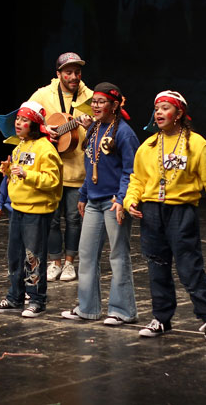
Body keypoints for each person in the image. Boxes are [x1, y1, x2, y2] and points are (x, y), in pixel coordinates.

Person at [124, 90, 206, 345]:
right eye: (157, 108)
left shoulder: (196, 144)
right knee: (157, 267)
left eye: (165, 108)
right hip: (152, 212)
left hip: (181, 212)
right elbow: (137, 179)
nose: (159, 112)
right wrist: (131, 201)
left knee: (190, 268)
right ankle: (161, 318)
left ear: (179, 113)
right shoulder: (148, 145)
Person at [60, 82, 140, 325]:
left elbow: (131, 170)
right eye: (93, 101)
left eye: (101, 101)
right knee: (86, 254)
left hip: (114, 201)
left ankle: (122, 310)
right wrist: (83, 194)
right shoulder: (94, 129)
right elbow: (90, 164)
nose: (95, 105)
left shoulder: (124, 133)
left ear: (114, 105)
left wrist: (122, 197)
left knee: (118, 255)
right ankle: (87, 307)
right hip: (94, 201)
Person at [0, 101, 63, 318]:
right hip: (18, 208)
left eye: (24, 120)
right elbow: (18, 173)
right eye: (18, 119)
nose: (19, 123)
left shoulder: (45, 148)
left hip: (37, 211)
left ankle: (37, 299)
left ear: (35, 124)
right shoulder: (19, 146)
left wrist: (26, 174)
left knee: (33, 256)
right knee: (15, 255)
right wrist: (8, 171)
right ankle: (15, 296)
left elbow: (53, 180)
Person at [28, 52, 94, 281]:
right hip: (51, 171)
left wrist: (90, 125)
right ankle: (54, 261)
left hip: (78, 170)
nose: (74, 76)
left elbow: (103, 127)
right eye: (68, 72)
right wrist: (46, 131)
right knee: (53, 219)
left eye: (77, 72)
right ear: (58, 74)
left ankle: (69, 263)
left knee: (74, 219)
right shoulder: (42, 95)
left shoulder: (90, 97)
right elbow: (25, 119)